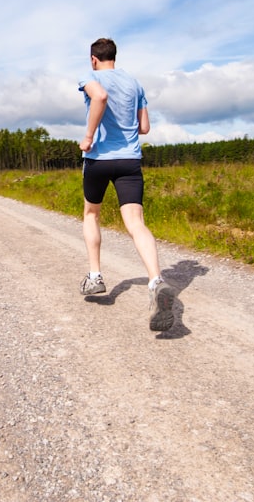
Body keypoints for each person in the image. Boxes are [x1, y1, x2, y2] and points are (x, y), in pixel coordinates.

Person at [78, 37, 175, 332]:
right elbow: (144, 127)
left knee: (91, 214)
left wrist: (89, 136)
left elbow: (100, 97)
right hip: (130, 160)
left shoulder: (90, 77)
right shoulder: (134, 83)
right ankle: (156, 280)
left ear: (94, 59)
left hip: (98, 159)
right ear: (114, 57)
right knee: (135, 222)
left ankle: (95, 276)